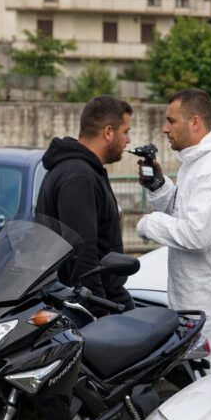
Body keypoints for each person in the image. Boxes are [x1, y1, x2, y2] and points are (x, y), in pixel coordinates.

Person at [135, 89, 211, 369]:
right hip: (197, 297)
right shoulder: (198, 164)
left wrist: (149, 223)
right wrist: (159, 186)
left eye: (171, 120)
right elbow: (185, 212)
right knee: (193, 382)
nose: (164, 128)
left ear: (195, 122)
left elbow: (197, 234)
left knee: (210, 383)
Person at [36, 96, 134, 314]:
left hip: (100, 298)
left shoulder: (80, 170)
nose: (128, 140)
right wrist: (99, 313)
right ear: (108, 132)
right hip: (88, 306)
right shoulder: (79, 177)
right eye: (126, 131)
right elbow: (84, 254)